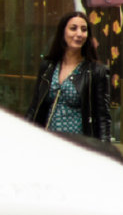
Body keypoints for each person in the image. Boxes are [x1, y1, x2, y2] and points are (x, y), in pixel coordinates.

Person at [28, 11, 111, 142]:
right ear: (63, 32)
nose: (79, 34)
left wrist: (106, 152)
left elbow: (103, 117)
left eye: (84, 30)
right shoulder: (48, 67)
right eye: (73, 28)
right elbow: (35, 107)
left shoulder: (96, 71)